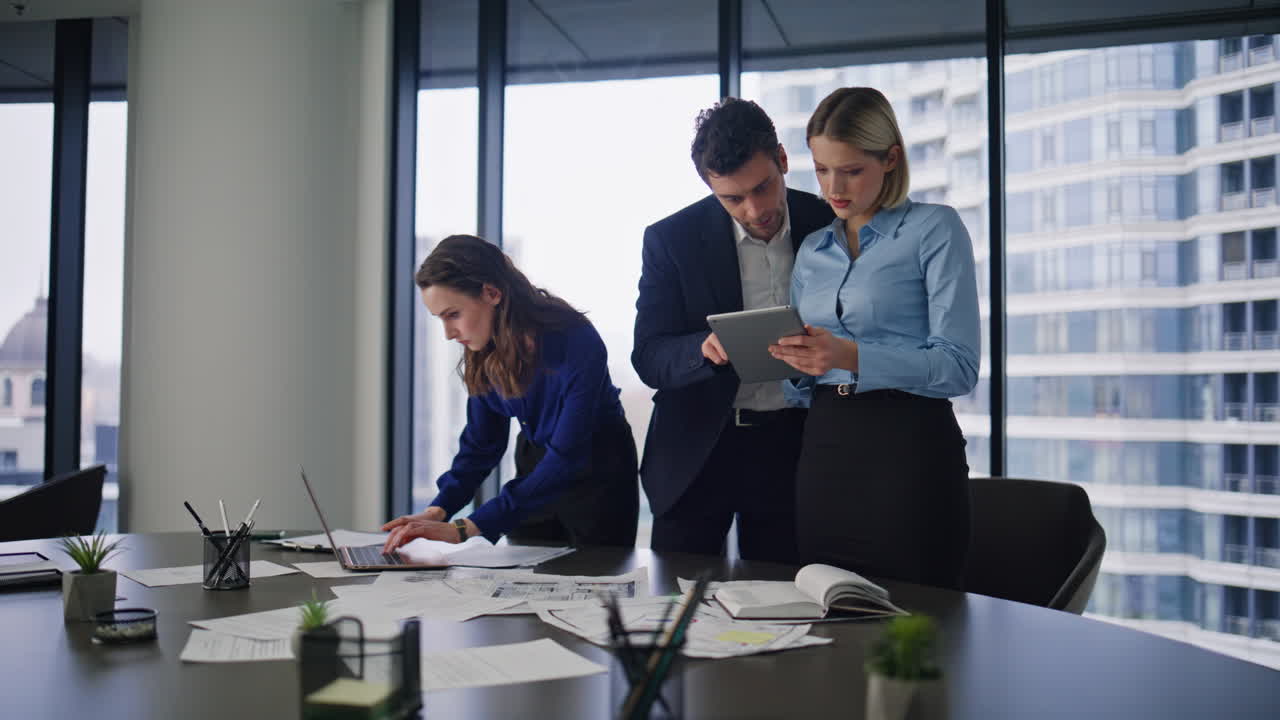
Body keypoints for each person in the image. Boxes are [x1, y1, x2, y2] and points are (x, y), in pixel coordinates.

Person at [769, 87, 979, 589]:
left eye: (851, 170)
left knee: (919, 628)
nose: (832, 187)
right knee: (827, 625)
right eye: (821, 169)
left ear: (890, 159)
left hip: (909, 451)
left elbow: (958, 366)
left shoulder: (935, 229)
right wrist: (787, 360)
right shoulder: (814, 249)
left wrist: (849, 355)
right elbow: (796, 388)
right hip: (826, 449)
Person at [632, 98, 833, 562]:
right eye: (733, 198)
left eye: (763, 187)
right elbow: (648, 355)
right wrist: (702, 349)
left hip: (796, 446)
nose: (754, 209)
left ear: (783, 160)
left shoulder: (828, 223)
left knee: (788, 602)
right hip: (699, 453)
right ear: (708, 186)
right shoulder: (670, 239)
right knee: (679, 605)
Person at [382, 234, 638, 552]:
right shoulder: (482, 350)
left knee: (597, 587)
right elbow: (481, 445)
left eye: (453, 315)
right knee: (523, 583)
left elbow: (568, 456)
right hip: (534, 468)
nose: (448, 334)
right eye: (440, 320)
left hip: (597, 472)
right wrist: (439, 509)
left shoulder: (577, 339)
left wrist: (465, 528)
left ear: (491, 293)